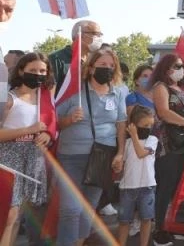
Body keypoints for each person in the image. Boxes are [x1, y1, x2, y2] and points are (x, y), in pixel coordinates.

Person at [55, 49, 126, 246]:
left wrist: (120, 153)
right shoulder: (74, 91)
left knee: (88, 208)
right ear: (91, 67)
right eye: (103, 65)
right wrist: (69, 119)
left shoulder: (118, 92)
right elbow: (54, 121)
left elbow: (121, 124)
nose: (108, 69)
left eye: (111, 66)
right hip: (71, 156)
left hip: (102, 156)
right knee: (70, 209)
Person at [149, 53, 184, 246]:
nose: (181, 69)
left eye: (182, 66)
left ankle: (177, 225)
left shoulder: (180, 89)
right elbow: (164, 113)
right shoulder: (160, 87)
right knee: (165, 188)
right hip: (168, 145)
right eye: (177, 66)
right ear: (166, 69)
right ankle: (159, 230)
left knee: (179, 188)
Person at [0, 53, 54, 246]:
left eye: (42, 71)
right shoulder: (8, 99)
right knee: (9, 214)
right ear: (22, 71)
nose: (38, 74)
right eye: (33, 70)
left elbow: (50, 127)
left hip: (33, 158)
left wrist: (47, 135)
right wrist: (28, 130)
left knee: (17, 215)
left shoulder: (45, 101)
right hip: (9, 159)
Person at [117, 105, 158, 246]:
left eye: (151, 125)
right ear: (133, 125)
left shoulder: (152, 140)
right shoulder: (126, 143)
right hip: (127, 187)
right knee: (124, 221)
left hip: (147, 187)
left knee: (146, 219)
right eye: (145, 125)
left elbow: (141, 153)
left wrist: (134, 135)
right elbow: (120, 164)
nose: (148, 128)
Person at [49, 20, 104, 93]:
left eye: (100, 34)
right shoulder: (56, 58)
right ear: (79, 35)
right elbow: (50, 90)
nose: (99, 38)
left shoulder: (94, 60)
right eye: (94, 33)